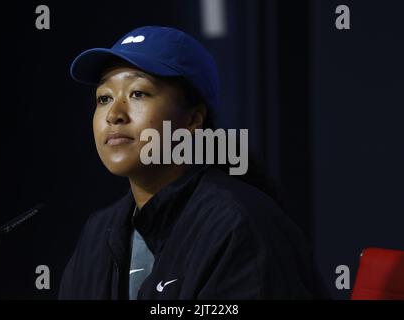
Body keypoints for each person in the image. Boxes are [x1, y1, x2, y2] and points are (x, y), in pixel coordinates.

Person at [59, 25, 328, 299]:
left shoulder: (237, 225)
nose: (114, 114)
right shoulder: (98, 233)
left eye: (138, 93)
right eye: (104, 98)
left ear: (192, 120)